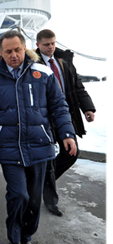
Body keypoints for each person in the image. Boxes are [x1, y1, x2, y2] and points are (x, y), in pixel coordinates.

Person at [0, 30, 77, 244]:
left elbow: (59, 106)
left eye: (17, 49)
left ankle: (26, 236)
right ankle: (13, 238)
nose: (14, 55)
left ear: (25, 48)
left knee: (33, 198)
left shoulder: (42, 73)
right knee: (18, 195)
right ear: (0, 52)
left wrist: (66, 133)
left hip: (39, 145)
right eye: (8, 51)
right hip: (9, 146)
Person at [35, 29, 96, 216]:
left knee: (71, 153)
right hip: (44, 118)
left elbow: (77, 86)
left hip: (65, 116)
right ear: (37, 45)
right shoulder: (32, 64)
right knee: (49, 159)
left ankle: (45, 182)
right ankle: (50, 199)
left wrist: (88, 108)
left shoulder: (64, 62)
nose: (51, 47)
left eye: (53, 43)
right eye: (46, 44)